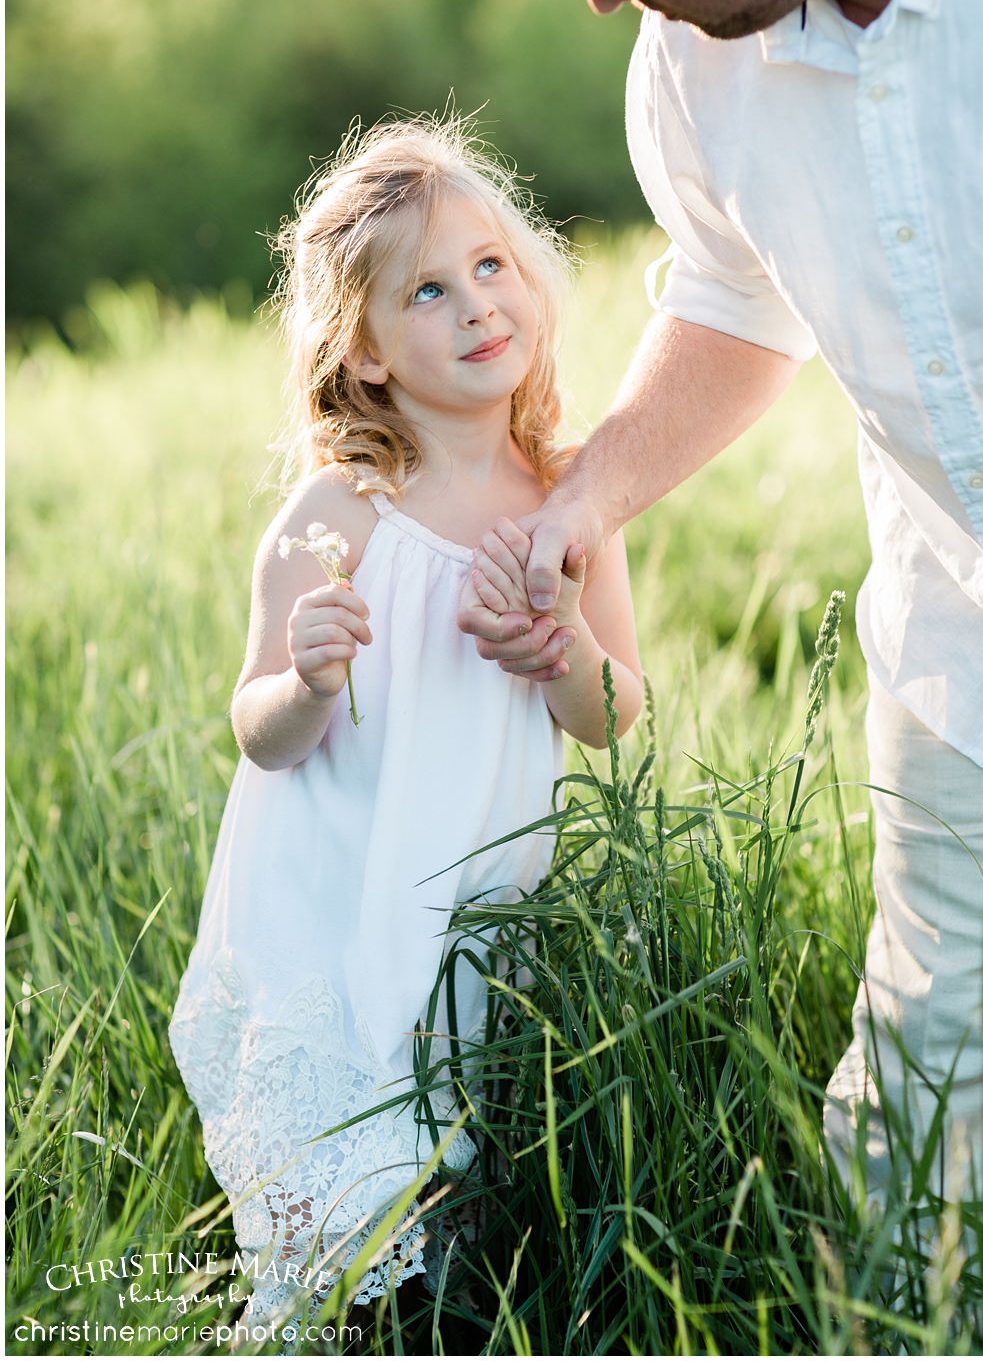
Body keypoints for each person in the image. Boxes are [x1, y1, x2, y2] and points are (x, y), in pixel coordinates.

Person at [481, 0, 983, 1221]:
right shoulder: (692, 61)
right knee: (930, 1069)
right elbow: (733, 297)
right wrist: (590, 489)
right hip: (950, 622)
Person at [169, 119, 644, 1328]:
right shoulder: (344, 507)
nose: (476, 303)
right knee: (336, 1146)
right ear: (367, 354)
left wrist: (564, 651)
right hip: (338, 876)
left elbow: (613, 713)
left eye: (490, 265)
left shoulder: (569, 496)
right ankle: (310, 1300)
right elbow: (257, 727)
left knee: (465, 1121)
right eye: (426, 291)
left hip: (480, 882)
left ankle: (450, 1300)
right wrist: (309, 681)